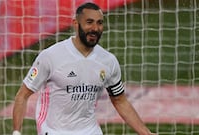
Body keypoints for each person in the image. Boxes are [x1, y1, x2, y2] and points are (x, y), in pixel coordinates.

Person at [12, 2, 157, 135]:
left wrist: (146, 133)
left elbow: (119, 100)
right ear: (76, 24)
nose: (95, 28)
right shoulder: (51, 56)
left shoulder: (108, 61)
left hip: (90, 130)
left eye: (99, 23)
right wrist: (16, 132)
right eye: (89, 22)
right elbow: (22, 95)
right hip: (54, 131)